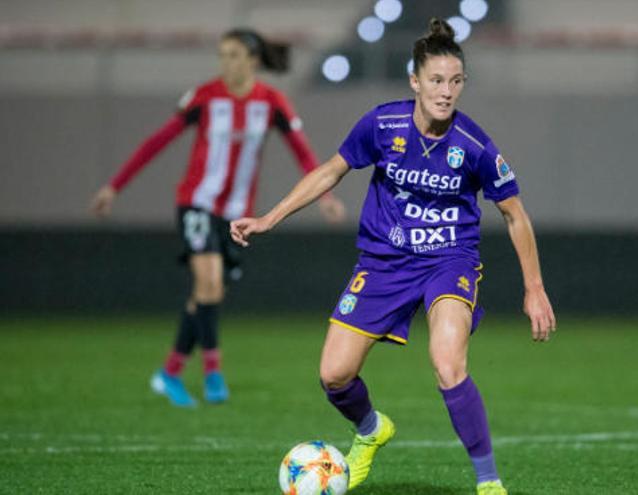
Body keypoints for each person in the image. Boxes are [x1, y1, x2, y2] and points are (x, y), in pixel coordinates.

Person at [231, 18, 555, 495]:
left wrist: (534, 288)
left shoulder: (474, 145)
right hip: (383, 262)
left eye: (456, 81)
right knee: (334, 375)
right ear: (415, 81)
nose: (446, 92)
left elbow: (515, 214)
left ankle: (488, 482)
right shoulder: (382, 124)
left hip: (449, 261)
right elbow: (330, 172)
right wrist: (268, 218)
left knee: (448, 362)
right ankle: (370, 430)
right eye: (436, 80)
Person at [90, 28, 345, 408]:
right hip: (196, 203)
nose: (226, 63)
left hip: (237, 215)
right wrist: (115, 186)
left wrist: (325, 196)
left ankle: (171, 372)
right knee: (208, 284)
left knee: (208, 295)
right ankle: (213, 373)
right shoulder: (205, 97)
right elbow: (156, 142)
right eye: (222, 55)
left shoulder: (272, 102)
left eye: (234, 55)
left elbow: (303, 153)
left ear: (253, 60)